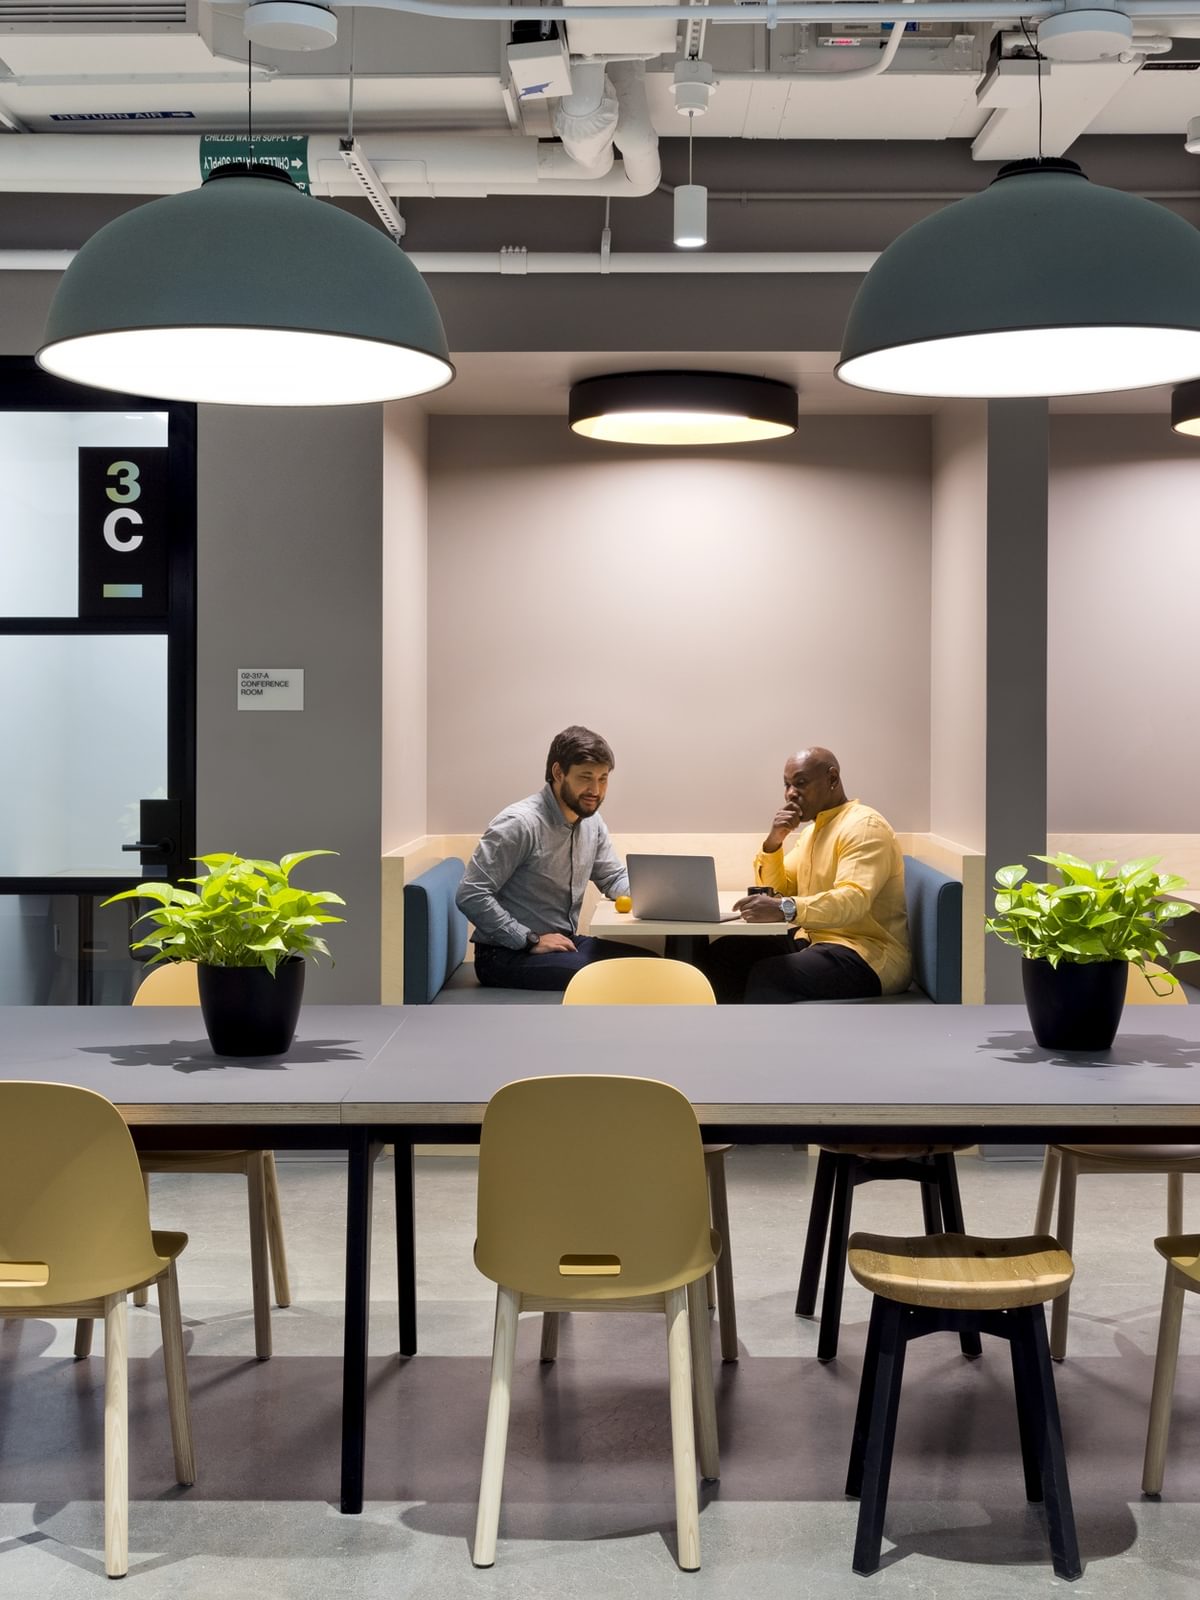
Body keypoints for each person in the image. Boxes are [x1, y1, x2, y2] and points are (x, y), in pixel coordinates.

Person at [701, 746, 911, 1004]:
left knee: (771, 975)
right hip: (817, 939)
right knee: (725, 953)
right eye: (787, 785)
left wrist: (785, 909)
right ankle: (727, 1035)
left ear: (832, 779)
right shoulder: (815, 831)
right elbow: (779, 889)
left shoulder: (864, 827)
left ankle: (762, 1041)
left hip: (867, 953)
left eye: (800, 783)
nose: (791, 793)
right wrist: (774, 842)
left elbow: (852, 900)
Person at [456, 725, 652, 993]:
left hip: (563, 943)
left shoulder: (591, 823)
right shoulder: (519, 824)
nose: (595, 789)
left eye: (603, 779)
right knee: (625, 979)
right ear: (558, 773)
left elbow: (612, 877)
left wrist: (661, 898)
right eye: (586, 777)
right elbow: (471, 893)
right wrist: (529, 939)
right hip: (505, 955)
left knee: (656, 966)